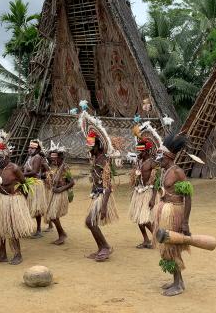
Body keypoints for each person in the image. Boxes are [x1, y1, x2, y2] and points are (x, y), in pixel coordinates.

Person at [153, 133, 194, 297]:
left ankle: (179, 285)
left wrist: (185, 222)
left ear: (167, 156)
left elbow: (188, 196)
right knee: (166, 248)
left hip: (174, 212)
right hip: (164, 211)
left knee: (172, 248)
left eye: (160, 157)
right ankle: (177, 281)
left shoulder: (177, 172)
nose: (158, 160)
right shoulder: (165, 171)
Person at [78, 109, 120, 262]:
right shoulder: (96, 159)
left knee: (90, 222)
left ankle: (106, 247)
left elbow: (108, 185)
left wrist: (103, 206)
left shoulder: (103, 160)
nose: (89, 149)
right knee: (91, 222)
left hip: (103, 195)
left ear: (98, 146)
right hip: (97, 194)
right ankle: (102, 247)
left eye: (91, 147)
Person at [0, 142, 34, 265]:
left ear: (7, 157)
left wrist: (24, 202)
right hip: (1, 200)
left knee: (12, 228)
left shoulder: (14, 168)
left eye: (1, 159)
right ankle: (2, 255)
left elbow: (24, 184)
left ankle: (17, 254)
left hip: (14, 200)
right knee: (0, 227)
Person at [128, 137, 159, 249]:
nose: (139, 153)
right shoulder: (139, 161)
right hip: (139, 191)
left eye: (141, 151)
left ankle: (157, 237)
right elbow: (137, 177)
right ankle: (146, 240)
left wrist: (153, 198)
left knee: (145, 219)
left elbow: (157, 181)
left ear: (146, 151)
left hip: (148, 192)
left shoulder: (152, 163)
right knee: (138, 218)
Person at [44, 141, 74, 245]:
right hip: (55, 193)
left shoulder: (65, 167)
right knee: (52, 215)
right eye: (52, 159)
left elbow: (72, 182)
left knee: (52, 215)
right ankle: (62, 234)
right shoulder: (58, 167)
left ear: (60, 158)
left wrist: (60, 189)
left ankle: (62, 234)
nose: (53, 161)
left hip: (60, 194)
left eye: (55, 159)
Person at [22, 139, 49, 238]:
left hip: (35, 184)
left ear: (37, 149)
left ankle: (38, 230)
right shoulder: (30, 157)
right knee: (27, 206)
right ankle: (26, 227)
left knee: (36, 207)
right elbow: (25, 168)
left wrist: (21, 174)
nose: (30, 149)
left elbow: (34, 172)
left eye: (33, 148)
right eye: (30, 147)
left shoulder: (37, 157)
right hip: (28, 184)